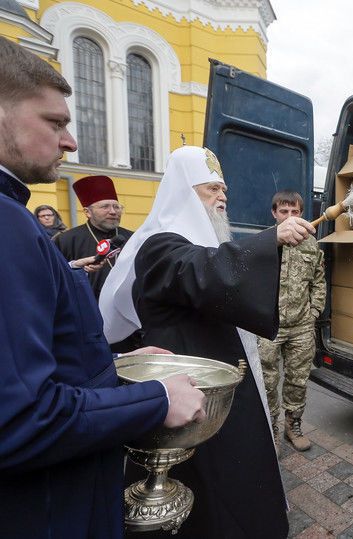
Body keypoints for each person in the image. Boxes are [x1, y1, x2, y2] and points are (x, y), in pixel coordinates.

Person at [0, 36, 206, 539]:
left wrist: (112, 368)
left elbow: (28, 364)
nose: (70, 141)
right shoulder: (7, 225)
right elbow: (18, 421)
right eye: (55, 123)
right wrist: (155, 398)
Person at [99, 145, 315, 538]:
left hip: (221, 383)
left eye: (224, 191)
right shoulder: (159, 245)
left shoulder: (195, 241)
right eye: (212, 189)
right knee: (210, 492)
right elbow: (201, 270)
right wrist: (270, 239)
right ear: (185, 193)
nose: (223, 198)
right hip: (191, 396)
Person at [258, 190, 326, 451]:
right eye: (283, 211)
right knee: (267, 380)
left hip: (301, 326)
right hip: (269, 326)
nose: (289, 216)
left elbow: (318, 282)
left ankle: (292, 425)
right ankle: (271, 427)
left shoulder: (310, 243)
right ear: (274, 213)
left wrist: (314, 313)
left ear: (301, 213)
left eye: (295, 211)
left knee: (298, 379)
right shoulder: (263, 242)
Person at [54, 175, 133, 299]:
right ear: (87, 212)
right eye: (105, 206)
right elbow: (55, 276)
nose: (113, 211)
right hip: (86, 308)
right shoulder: (66, 240)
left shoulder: (133, 238)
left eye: (117, 207)